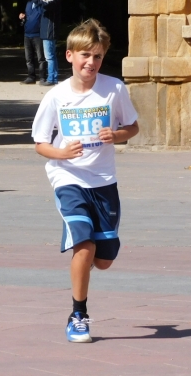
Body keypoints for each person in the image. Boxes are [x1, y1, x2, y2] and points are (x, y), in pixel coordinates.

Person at [31, 19, 139, 343]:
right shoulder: (56, 96)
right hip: (68, 177)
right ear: (69, 56)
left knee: (103, 260)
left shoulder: (114, 89)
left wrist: (116, 134)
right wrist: (61, 154)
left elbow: (132, 127)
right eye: (85, 56)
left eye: (97, 56)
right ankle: (79, 314)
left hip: (104, 181)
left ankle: (85, 265)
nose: (91, 63)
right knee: (84, 242)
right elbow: (39, 142)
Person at [33, 0, 62, 86]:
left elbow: (46, 4)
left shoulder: (54, 0)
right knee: (51, 56)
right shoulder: (50, 1)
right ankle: (53, 77)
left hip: (49, 33)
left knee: (49, 57)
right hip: (46, 33)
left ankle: (51, 78)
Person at [19, 0, 47, 84]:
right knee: (29, 58)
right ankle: (31, 77)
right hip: (27, 34)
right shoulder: (29, 3)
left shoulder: (41, 4)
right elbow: (28, 16)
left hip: (38, 34)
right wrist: (22, 17)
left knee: (41, 58)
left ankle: (43, 78)